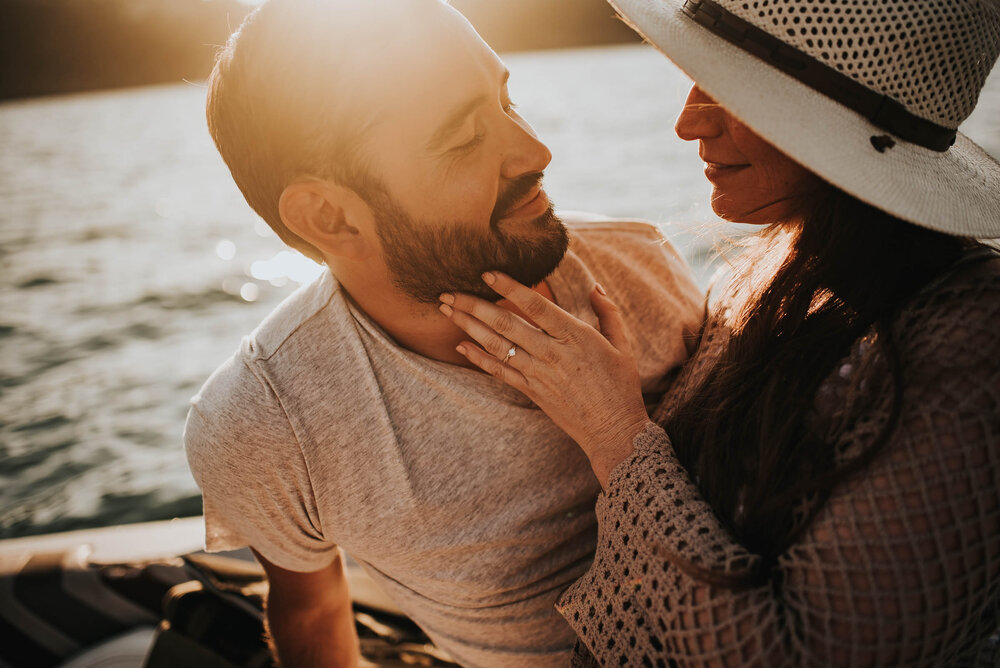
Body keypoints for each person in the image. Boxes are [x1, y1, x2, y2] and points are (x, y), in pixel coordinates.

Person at [440, 0, 1000, 665]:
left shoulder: (977, 340)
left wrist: (611, 429)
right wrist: (636, 388)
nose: (686, 123)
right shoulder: (770, 269)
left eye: (733, 91)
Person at [183, 0, 704, 666]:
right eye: (461, 138)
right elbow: (311, 607)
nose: (536, 151)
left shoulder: (637, 269)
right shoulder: (263, 426)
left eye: (507, 102)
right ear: (331, 218)